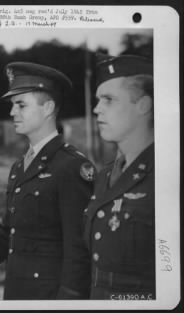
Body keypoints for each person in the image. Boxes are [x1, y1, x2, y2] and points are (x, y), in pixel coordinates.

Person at [0, 62, 95, 299]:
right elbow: (9, 232)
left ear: (48, 107)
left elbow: (78, 250)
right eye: (12, 105)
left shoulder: (71, 166)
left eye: (21, 105)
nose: (12, 113)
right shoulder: (19, 166)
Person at [83, 55, 155, 299]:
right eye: (97, 100)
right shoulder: (104, 176)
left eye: (109, 100)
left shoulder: (165, 174)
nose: (96, 109)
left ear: (143, 106)